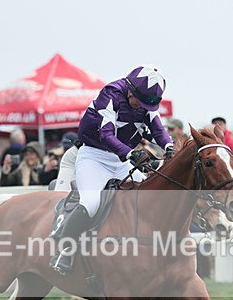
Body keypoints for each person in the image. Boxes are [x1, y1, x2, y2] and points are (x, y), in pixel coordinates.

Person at [50, 64, 173, 275]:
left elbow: (157, 129)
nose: (139, 108)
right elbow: (106, 136)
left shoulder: (145, 103)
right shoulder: (109, 95)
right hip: (94, 157)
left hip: (120, 160)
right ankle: (64, 251)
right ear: (130, 90)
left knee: (149, 196)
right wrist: (130, 153)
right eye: (138, 102)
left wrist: (170, 146)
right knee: (90, 203)